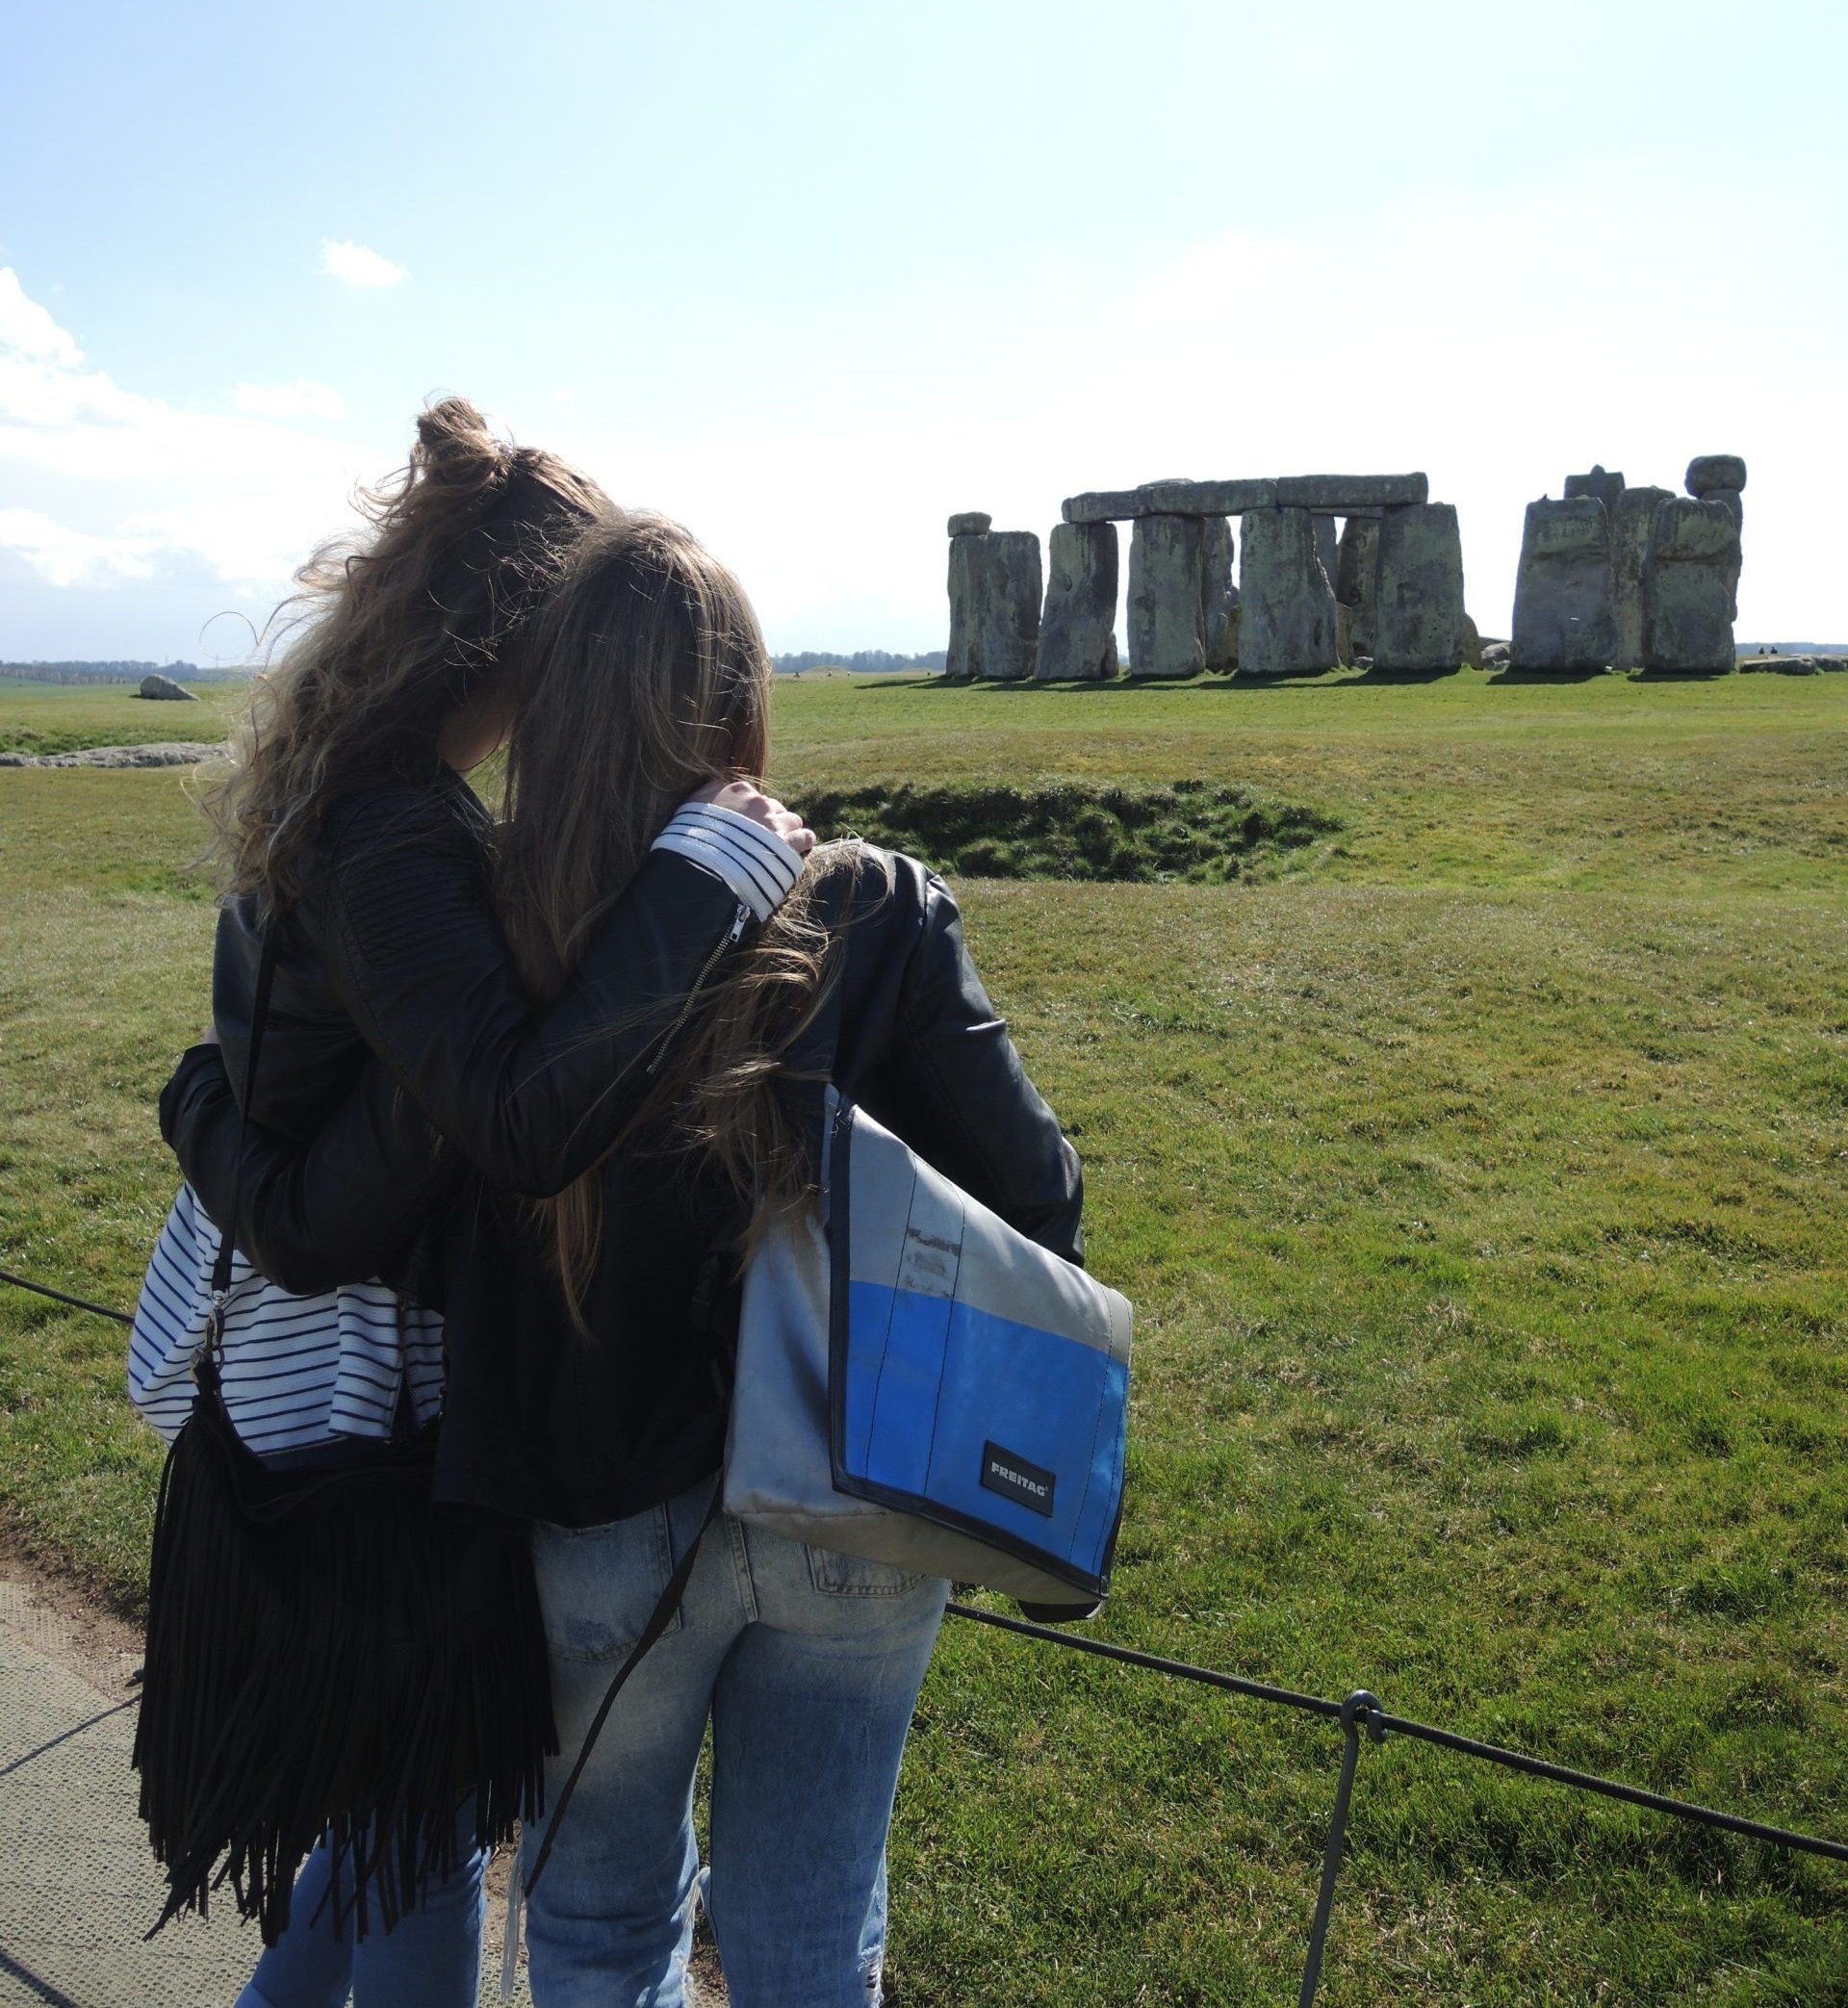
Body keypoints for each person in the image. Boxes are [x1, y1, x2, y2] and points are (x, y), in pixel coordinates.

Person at [166, 509, 1084, 2008]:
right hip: (855, 1492)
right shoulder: (877, 906)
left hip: (592, 1507)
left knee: (598, 1925)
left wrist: (203, 1105)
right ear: (742, 703)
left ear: (552, 704)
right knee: (811, 1926)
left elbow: (379, 1214)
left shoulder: (496, 946)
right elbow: (1042, 1205)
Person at [144, 402, 813, 2008]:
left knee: (391, 1820)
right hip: (360, 1422)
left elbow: (335, 1118)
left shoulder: (369, 793)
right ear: (521, 638)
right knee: (421, 1830)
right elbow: (487, 1125)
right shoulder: (395, 834)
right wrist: (698, 880)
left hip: (336, 1390)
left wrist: (200, 1107)